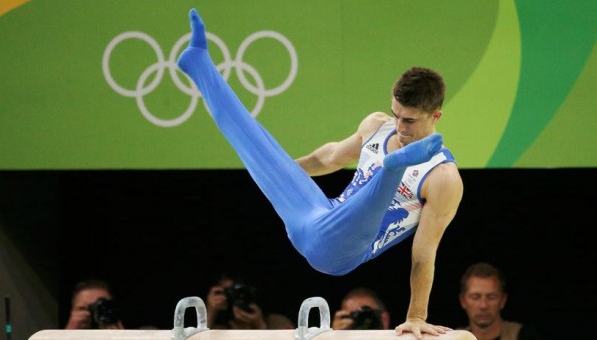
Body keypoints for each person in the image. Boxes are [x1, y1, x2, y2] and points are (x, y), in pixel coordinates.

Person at [176, 8, 463, 339]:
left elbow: (424, 254)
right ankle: (199, 65)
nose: (399, 126)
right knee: (254, 142)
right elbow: (329, 158)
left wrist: (416, 316)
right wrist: (280, 173)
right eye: (396, 114)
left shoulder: (443, 177)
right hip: (313, 218)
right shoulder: (376, 125)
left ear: (436, 115)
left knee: (377, 190)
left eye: (409, 121)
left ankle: (394, 168)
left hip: (340, 249)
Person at [459, 262, 537, 340]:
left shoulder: (524, 335)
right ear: (463, 301)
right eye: (475, 297)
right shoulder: (452, 337)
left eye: (491, 297)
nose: (483, 305)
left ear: (503, 300)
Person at [205, 272, 294, 329]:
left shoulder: (277, 321)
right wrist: (209, 313)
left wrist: (260, 326)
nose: (237, 297)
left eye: (239, 290)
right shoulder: (219, 330)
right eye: (229, 292)